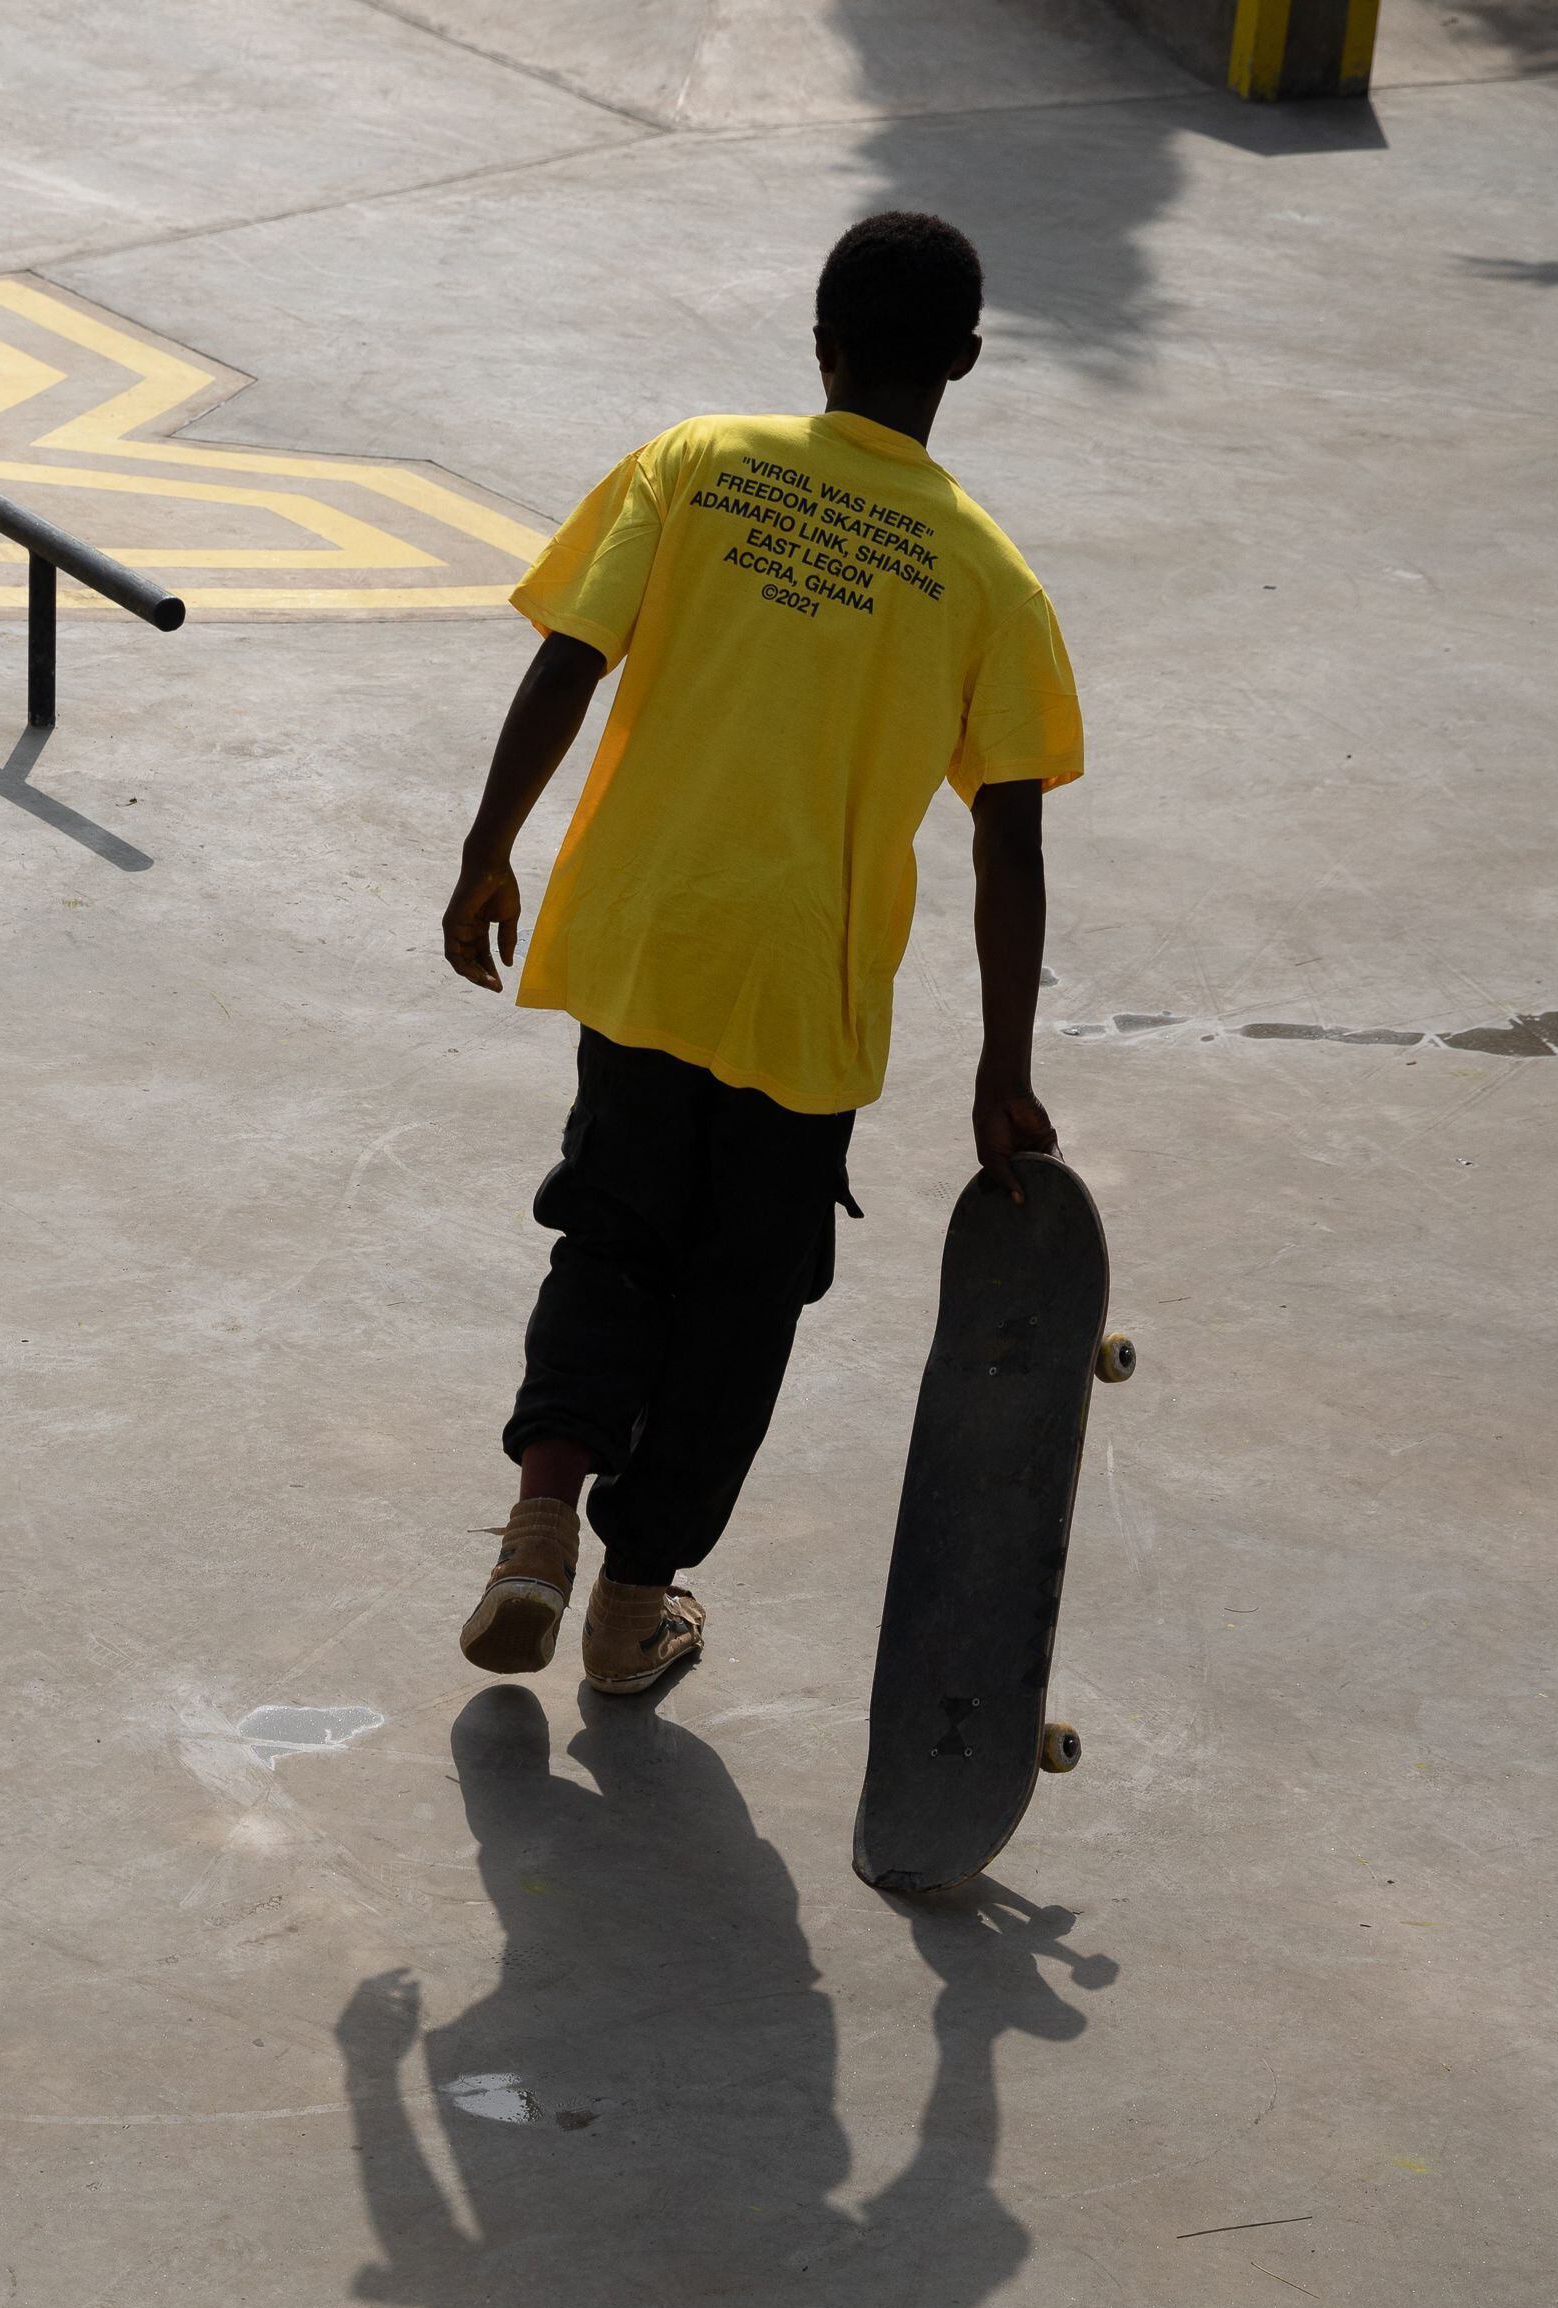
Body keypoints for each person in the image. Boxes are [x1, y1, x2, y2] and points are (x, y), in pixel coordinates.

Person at [444, 210, 1086, 1694]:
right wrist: (1002, 1066)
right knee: (743, 1296)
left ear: (821, 343)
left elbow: (567, 656)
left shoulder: (695, 464)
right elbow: (1011, 837)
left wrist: (491, 848)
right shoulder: (990, 577)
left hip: (650, 939)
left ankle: (541, 1521)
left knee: (611, 1233)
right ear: (966, 364)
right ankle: (631, 1606)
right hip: (808, 989)